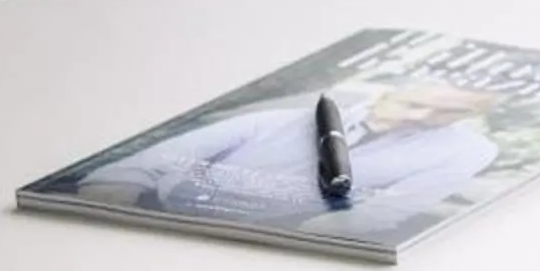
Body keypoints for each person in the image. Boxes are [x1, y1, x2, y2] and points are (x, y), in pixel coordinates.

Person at [80, 79, 501, 226]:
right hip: (165, 205)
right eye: (414, 104)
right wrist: (122, 192)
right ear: (391, 92)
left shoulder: (461, 150)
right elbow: (168, 153)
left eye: (442, 114)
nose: (422, 116)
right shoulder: (287, 118)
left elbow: (383, 214)